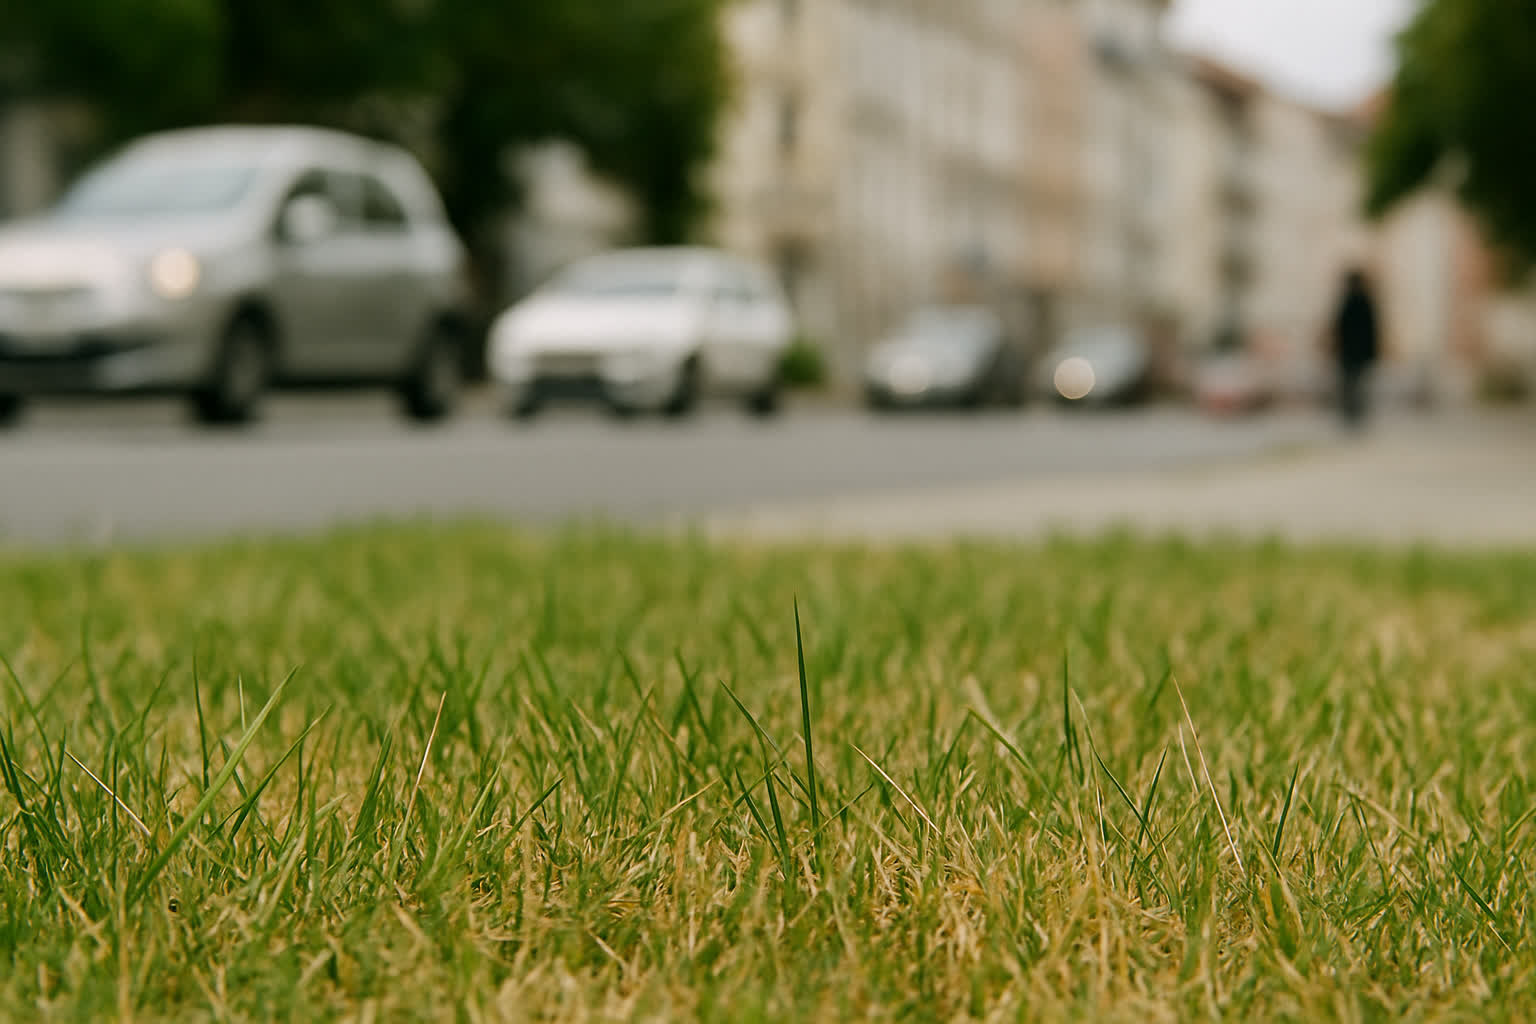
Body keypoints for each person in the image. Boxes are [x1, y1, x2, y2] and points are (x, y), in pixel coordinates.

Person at [1330, 268, 1381, 428]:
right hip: (1357, 352)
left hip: (1351, 352)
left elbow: (1341, 327)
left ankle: (1353, 416)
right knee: (1355, 385)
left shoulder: (1353, 301)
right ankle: (1354, 416)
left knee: (1352, 385)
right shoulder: (1364, 301)